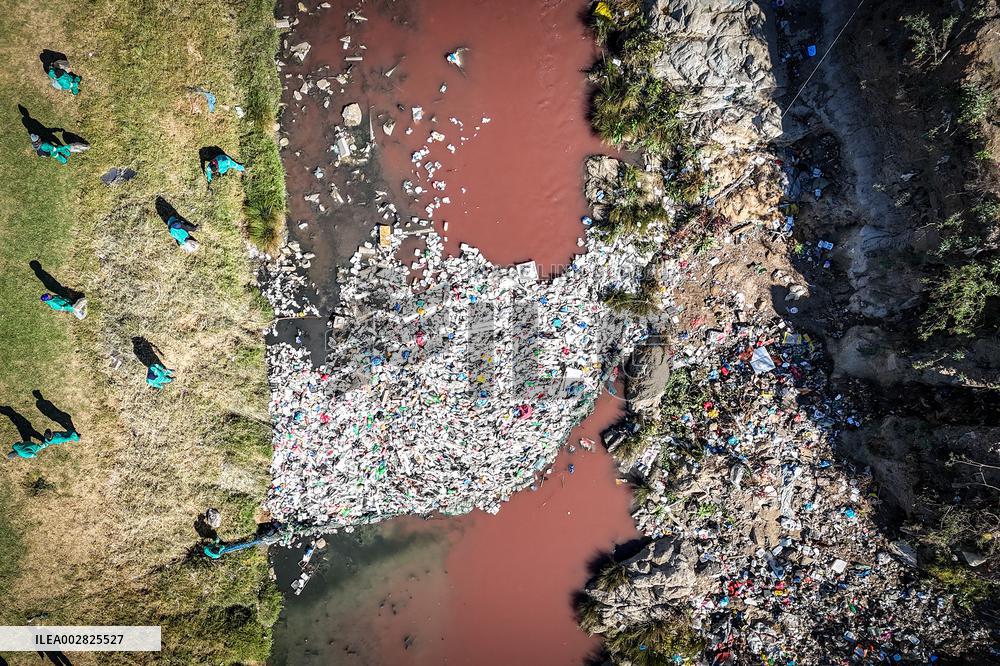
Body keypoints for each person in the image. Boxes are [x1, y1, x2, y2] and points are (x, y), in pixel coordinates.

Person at [8, 429, 79, 460]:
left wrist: (34, 454)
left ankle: (45, 445)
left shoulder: (24, 455)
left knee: (41, 446)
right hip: (29, 442)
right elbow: (19, 443)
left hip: (35, 447)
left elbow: (34, 455)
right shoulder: (14, 446)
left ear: (15, 456)